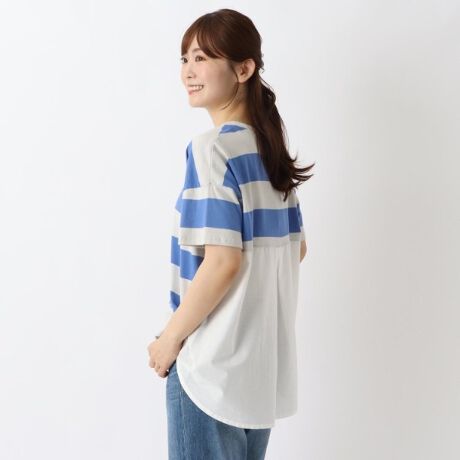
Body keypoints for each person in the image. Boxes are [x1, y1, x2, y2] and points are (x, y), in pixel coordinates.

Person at [147, 8, 314, 460]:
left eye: (202, 58)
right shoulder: (269, 152)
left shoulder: (213, 148)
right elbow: (296, 250)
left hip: (210, 371)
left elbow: (223, 261)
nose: (188, 71)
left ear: (244, 69)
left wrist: (170, 340)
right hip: (258, 379)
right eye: (184, 59)